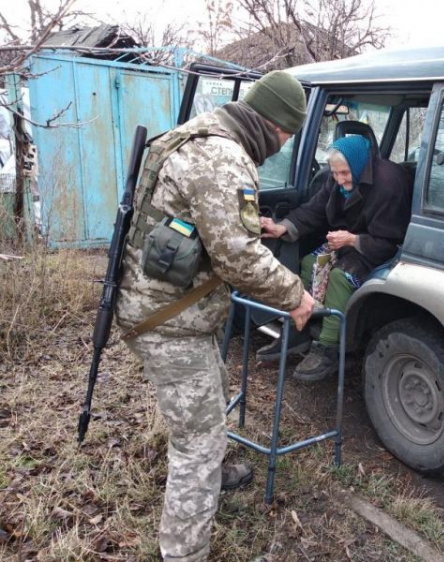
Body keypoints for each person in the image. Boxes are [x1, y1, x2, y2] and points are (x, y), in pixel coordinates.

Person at [115, 70, 315, 562]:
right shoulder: (224, 158)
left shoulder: (199, 131)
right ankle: (183, 551)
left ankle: (210, 474)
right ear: (271, 123)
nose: (285, 143)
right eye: (288, 133)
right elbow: (239, 258)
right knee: (198, 442)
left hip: (167, 306)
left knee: (210, 394)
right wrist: (296, 296)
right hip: (169, 320)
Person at [260, 134, 411, 381]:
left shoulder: (388, 184)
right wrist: (282, 227)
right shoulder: (337, 179)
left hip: (378, 247)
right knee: (310, 263)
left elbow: (391, 241)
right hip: (347, 240)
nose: (339, 180)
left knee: (342, 277)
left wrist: (352, 240)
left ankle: (328, 348)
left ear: (359, 165)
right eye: (335, 174)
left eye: (345, 174)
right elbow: (315, 208)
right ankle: (299, 331)